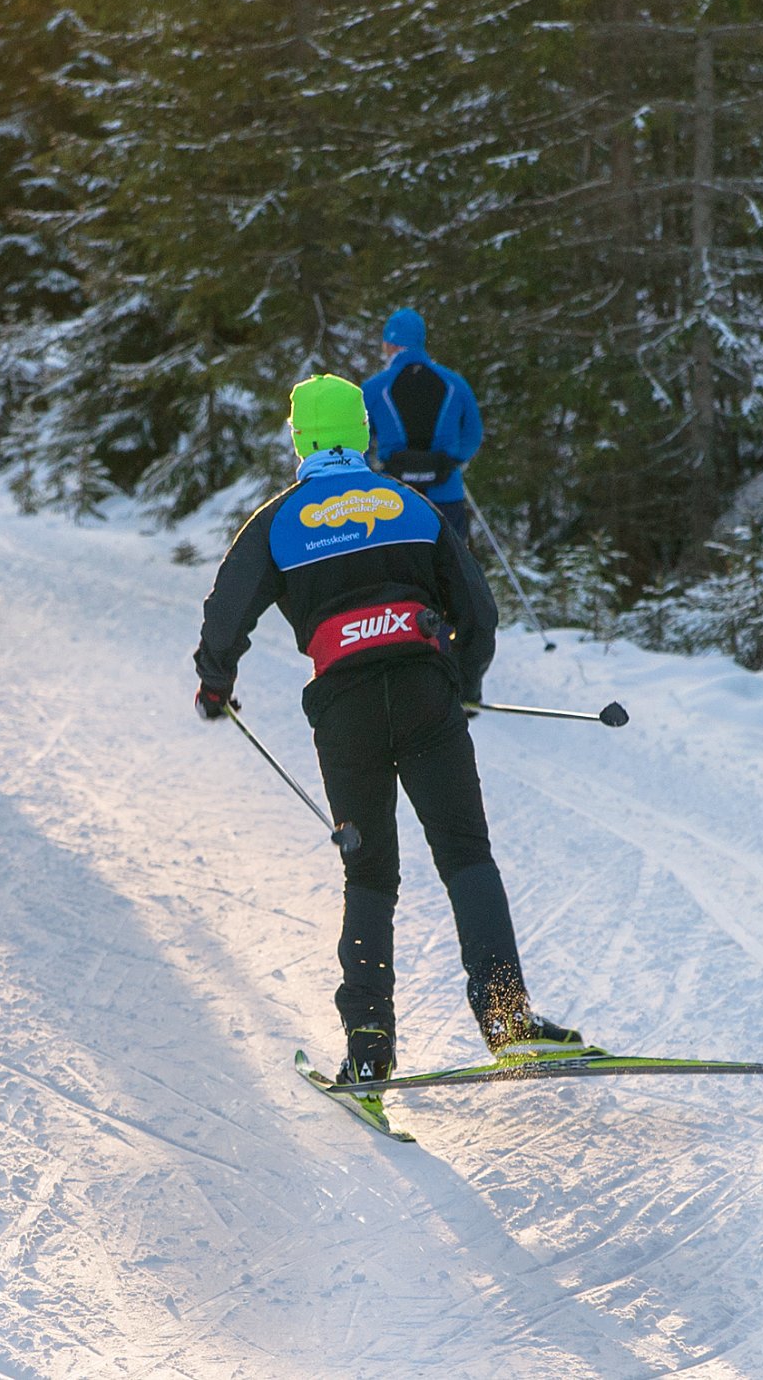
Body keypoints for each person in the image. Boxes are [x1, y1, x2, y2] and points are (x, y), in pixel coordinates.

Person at [192, 373, 581, 1085]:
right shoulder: (413, 505)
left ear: (300, 439)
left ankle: (369, 1040)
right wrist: (463, 684)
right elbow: (480, 613)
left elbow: (226, 611)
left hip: (345, 711)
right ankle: (507, 1019)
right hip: (425, 689)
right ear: (364, 434)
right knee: (467, 854)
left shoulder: (279, 520)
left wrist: (216, 682)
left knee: (370, 871)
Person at [361, 307, 483, 539]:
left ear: (391, 344)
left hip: (394, 497)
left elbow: (358, 440)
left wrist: (371, 477)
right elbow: (472, 434)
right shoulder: (454, 384)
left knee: (401, 570)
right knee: (450, 568)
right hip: (446, 493)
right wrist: (451, 462)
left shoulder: (375, 388)